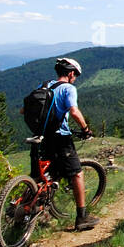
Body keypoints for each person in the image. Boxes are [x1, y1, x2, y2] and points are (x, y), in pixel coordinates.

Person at [27, 57, 100, 231]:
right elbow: (74, 111)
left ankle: (24, 211)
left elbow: (24, 110)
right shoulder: (68, 88)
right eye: (76, 76)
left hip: (40, 137)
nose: (75, 79)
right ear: (71, 73)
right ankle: (82, 217)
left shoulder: (43, 86)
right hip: (60, 138)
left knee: (40, 177)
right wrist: (86, 129)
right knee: (76, 174)